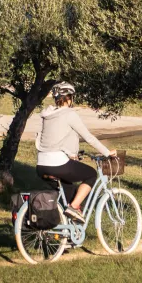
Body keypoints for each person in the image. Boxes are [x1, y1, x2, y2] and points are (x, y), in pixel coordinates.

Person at [35, 83, 116, 223]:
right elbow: (88, 137)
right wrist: (107, 152)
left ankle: (68, 234)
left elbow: (55, 138)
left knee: (69, 190)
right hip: (57, 163)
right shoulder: (69, 114)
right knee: (91, 174)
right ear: (69, 98)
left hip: (41, 165)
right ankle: (74, 207)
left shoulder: (48, 115)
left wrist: (71, 153)